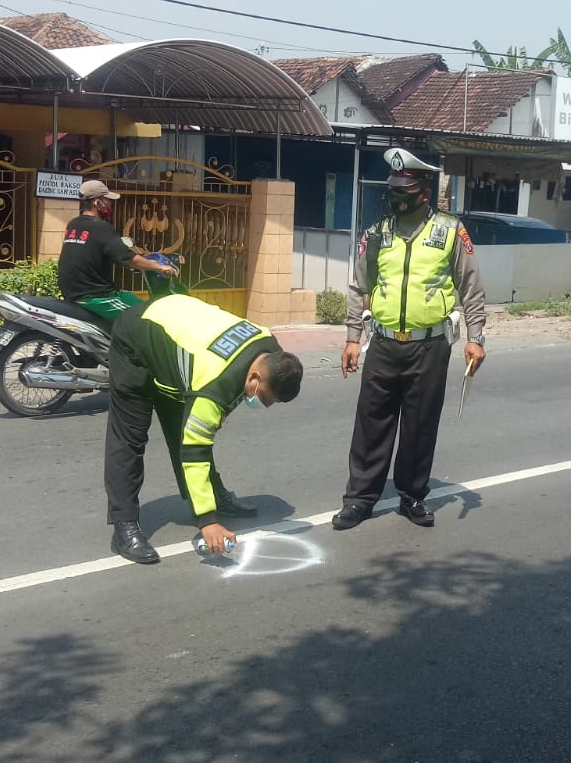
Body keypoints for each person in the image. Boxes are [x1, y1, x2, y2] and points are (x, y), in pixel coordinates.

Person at [332, 148, 487, 531]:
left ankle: (412, 496)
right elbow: (359, 285)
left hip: (430, 346)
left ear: (424, 192)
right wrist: (352, 338)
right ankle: (359, 499)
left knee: (420, 424)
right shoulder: (377, 233)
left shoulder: (450, 231)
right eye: (393, 190)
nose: (397, 197)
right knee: (371, 424)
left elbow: (471, 287)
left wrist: (476, 337)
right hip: (384, 344)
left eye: (405, 191)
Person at [104, 294, 304, 563]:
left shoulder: (271, 350)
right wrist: (207, 522)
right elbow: (194, 450)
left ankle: (214, 496)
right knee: (130, 438)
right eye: (265, 397)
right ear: (256, 376)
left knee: (191, 428)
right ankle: (124, 525)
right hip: (137, 337)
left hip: (174, 334)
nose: (265, 405)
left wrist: (218, 415)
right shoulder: (213, 384)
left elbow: (225, 398)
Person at [58, 179, 178, 321]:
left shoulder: (73, 224)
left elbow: (92, 250)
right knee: (146, 318)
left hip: (73, 293)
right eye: (107, 200)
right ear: (97, 202)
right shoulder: (101, 227)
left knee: (127, 296)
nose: (110, 204)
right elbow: (129, 258)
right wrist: (160, 267)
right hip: (97, 297)